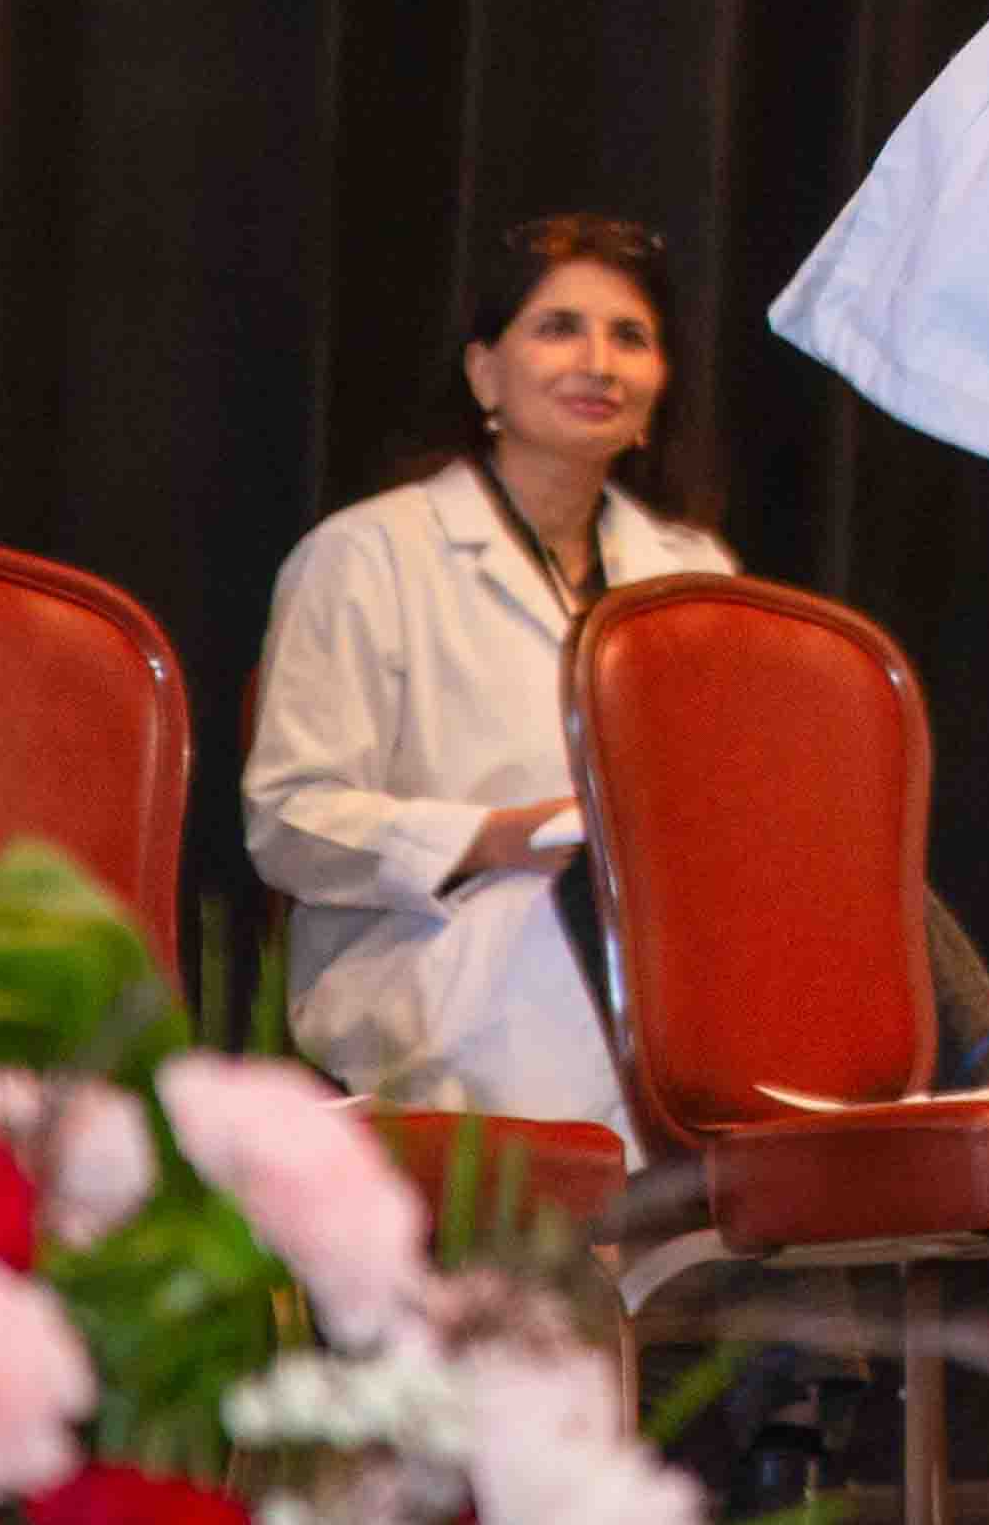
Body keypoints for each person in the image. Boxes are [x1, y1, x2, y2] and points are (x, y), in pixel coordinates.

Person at [247, 212, 742, 1154]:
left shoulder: (697, 574)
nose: (598, 361)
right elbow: (288, 822)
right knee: (570, 904)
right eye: (558, 328)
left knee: (842, 865)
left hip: (664, 955)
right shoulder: (365, 555)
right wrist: (492, 838)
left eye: (629, 337)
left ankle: (979, 1090)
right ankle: (619, 1248)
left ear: (658, 389)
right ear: (484, 374)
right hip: (428, 959)